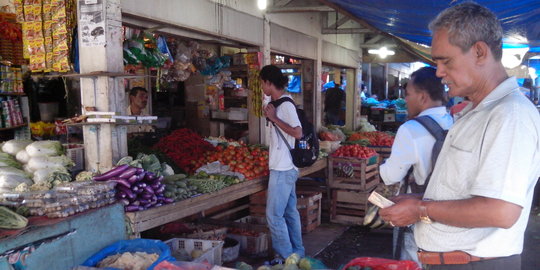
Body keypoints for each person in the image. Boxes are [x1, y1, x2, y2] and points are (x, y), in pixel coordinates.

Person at [379, 3, 540, 270]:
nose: (439, 72)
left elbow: (501, 211)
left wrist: (421, 209)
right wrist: (419, 201)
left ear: (479, 52)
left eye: (446, 61)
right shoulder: (474, 111)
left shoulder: (509, 114)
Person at [379, 66, 453, 266]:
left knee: (412, 262)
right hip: (452, 214)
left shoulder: (411, 128)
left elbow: (391, 176)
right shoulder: (456, 121)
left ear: (422, 97)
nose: (405, 100)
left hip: (419, 214)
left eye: (408, 94)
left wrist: (380, 165)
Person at [260, 65, 305, 262]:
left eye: (262, 83)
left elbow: (297, 132)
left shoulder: (285, 105)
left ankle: (288, 258)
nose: (261, 87)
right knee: (289, 212)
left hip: (283, 168)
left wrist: (274, 118)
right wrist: (271, 114)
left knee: (274, 216)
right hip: (286, 167)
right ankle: (298, 252)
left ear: (269, 83)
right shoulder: (277, 103)